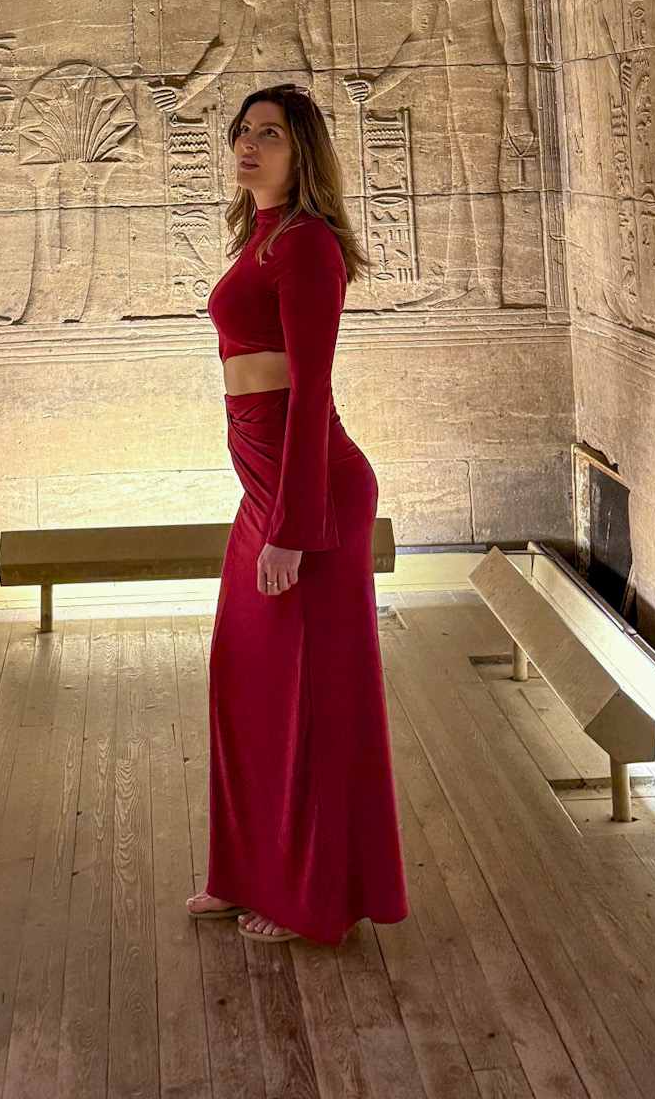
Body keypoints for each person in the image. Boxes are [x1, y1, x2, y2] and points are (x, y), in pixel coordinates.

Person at [186, 83, 408, 944]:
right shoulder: (263, 238)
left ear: (300, 150)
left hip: (307, 496)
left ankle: (310, 897)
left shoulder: (308, 246)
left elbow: (311, 391)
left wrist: (292, 528)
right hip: (267, 494)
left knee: (308, 696)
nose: (248, 145)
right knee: (246, 679)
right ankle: (245, 874)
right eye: (242, 132)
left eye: (269, 134)